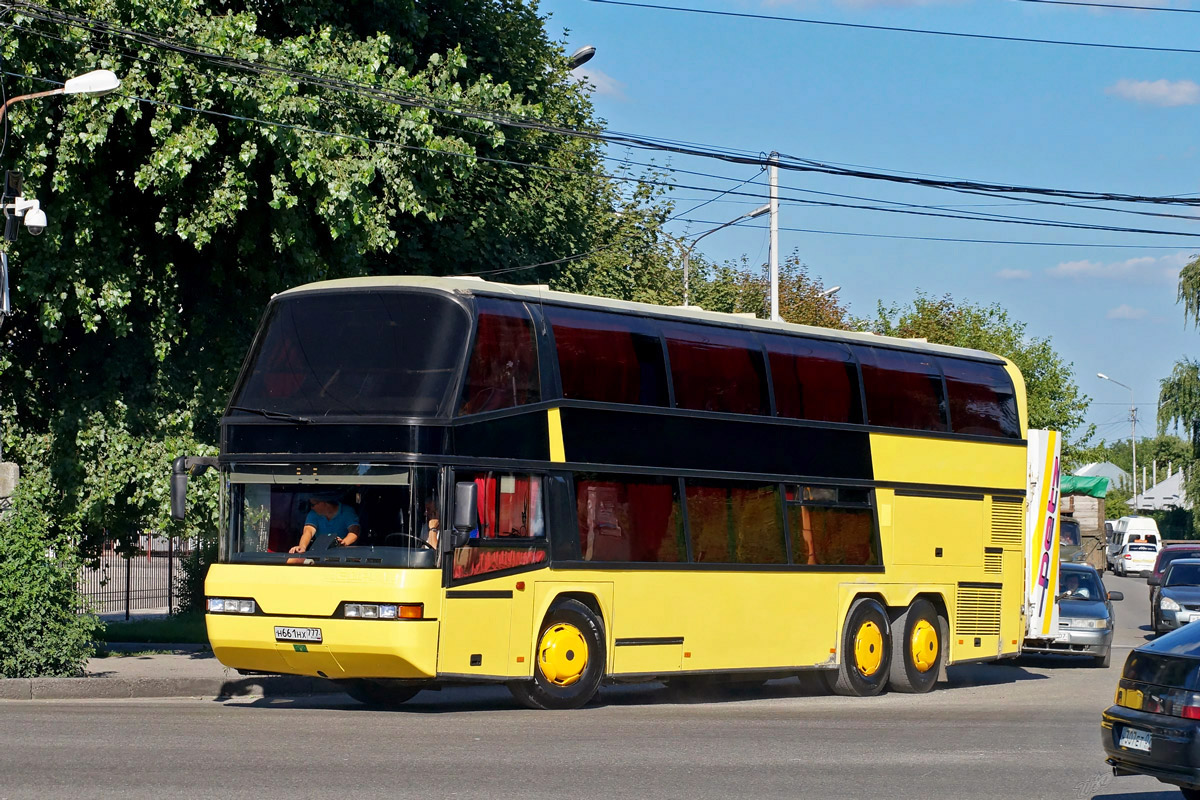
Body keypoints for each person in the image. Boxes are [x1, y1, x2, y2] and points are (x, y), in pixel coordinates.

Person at [290, 490, 360, 554]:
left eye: (313, 504)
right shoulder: (313, 514)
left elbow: (354, 531)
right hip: (321, 555)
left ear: (325, 502)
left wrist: (343, 542)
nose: (311, 508)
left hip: (345, 555)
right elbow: (308, 531)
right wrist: (302, 547)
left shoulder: (347, 512)